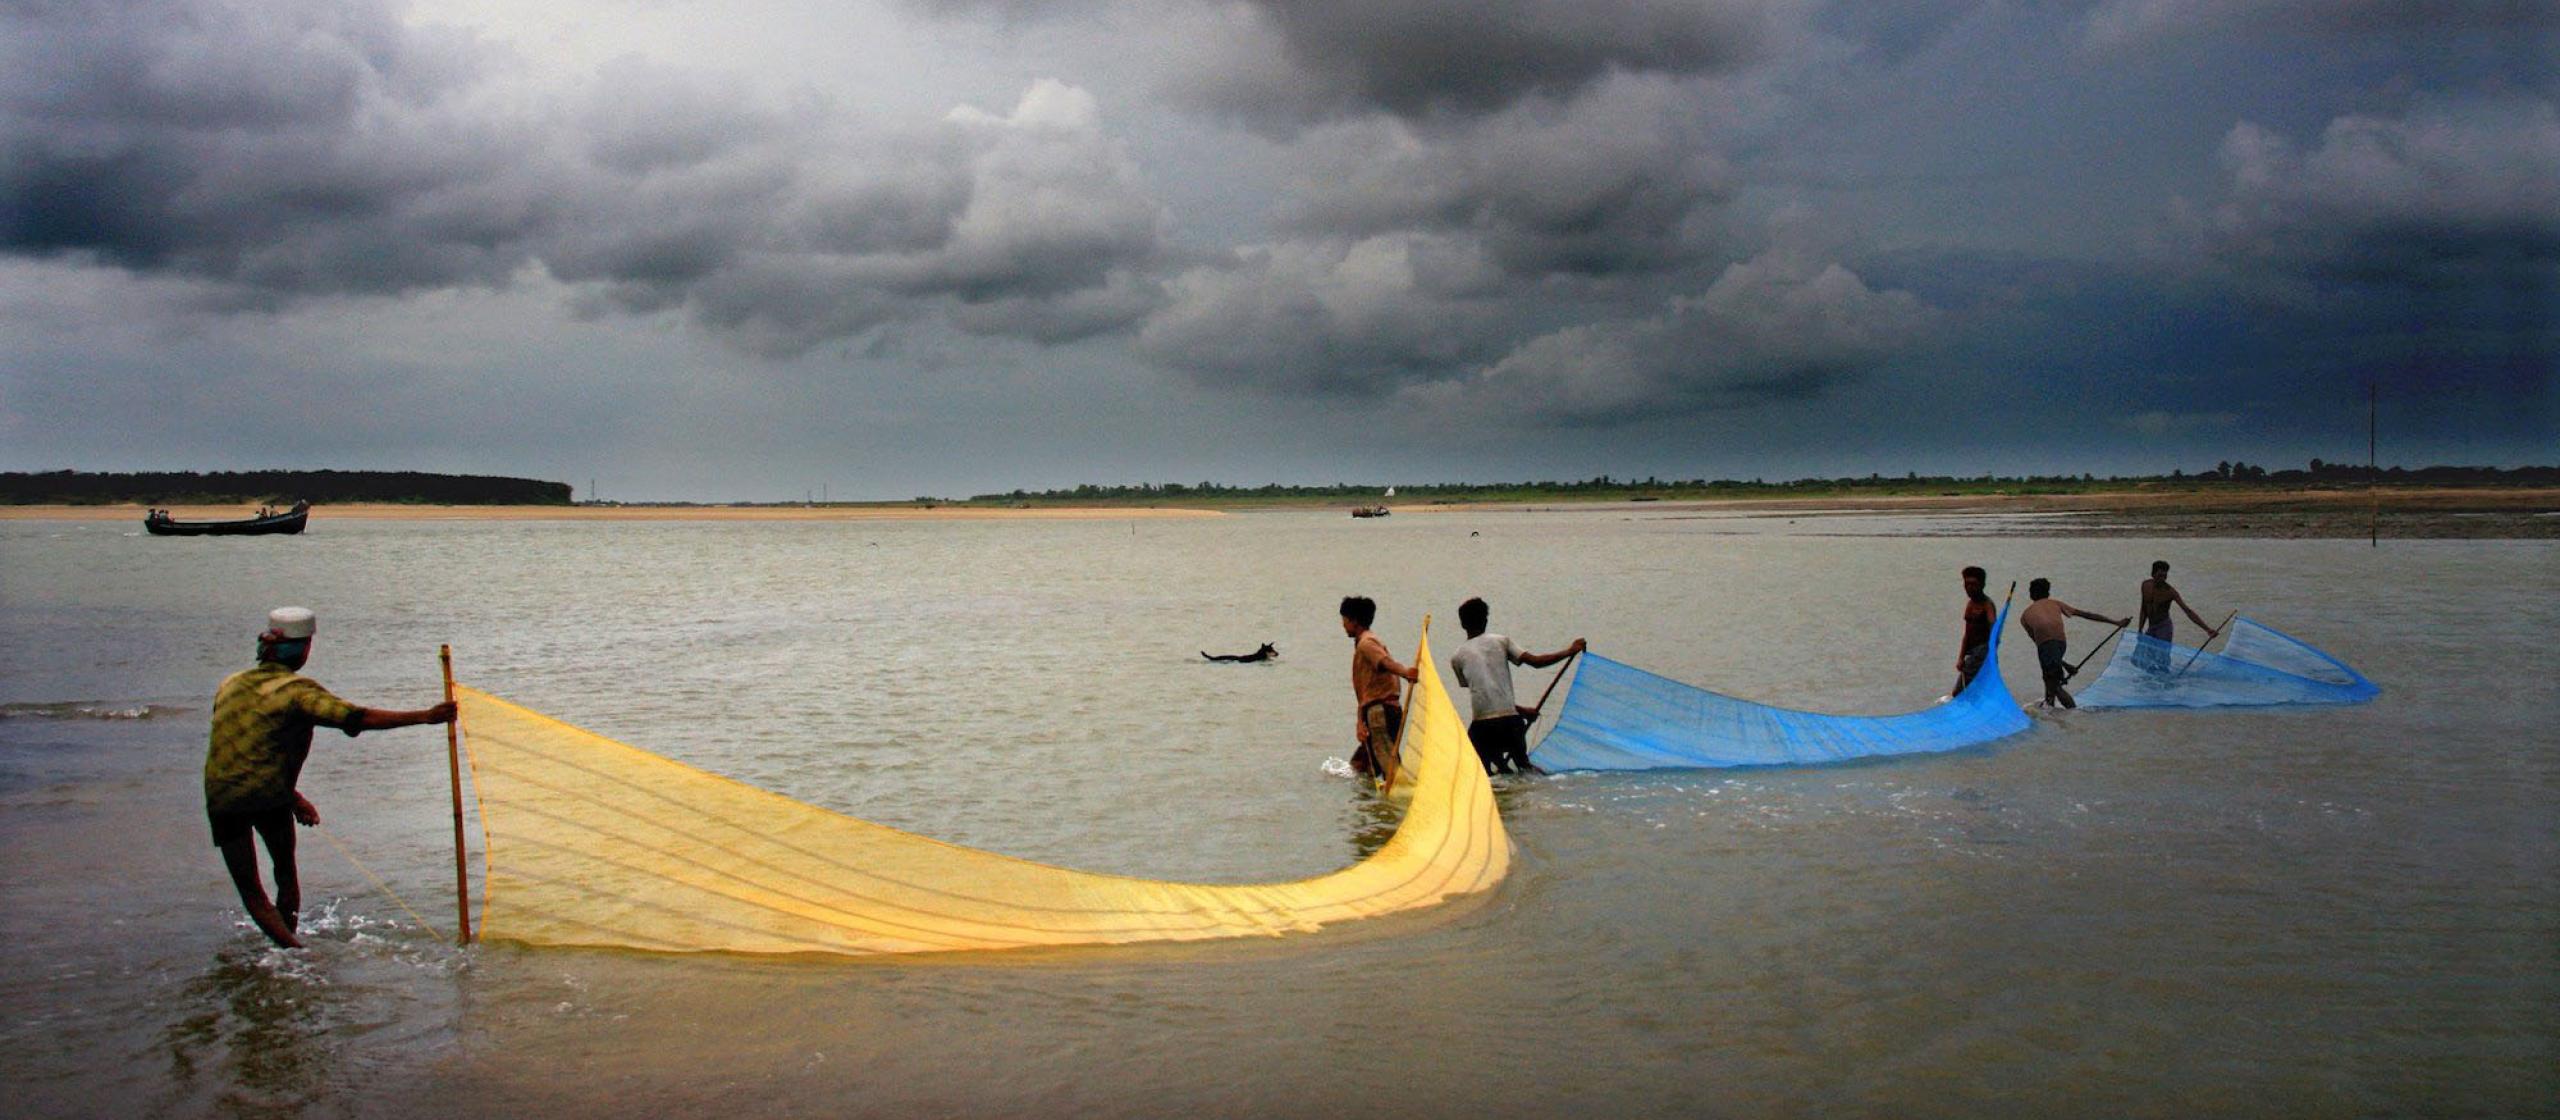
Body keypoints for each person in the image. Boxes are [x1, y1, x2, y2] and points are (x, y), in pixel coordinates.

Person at [205, 607, 455, 948]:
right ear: (303, 650)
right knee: (286, 878)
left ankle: (285, 955)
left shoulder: (229, 684)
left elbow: (244, 751)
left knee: (253, 894)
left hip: (222, 798)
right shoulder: (298, 691)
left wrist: (295, 798)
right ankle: (299, 956)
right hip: (268, 797)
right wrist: (425, 716)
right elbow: (355, 718)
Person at [1448, 598, 1584, 776]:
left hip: (1482, 727)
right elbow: (1536, 662)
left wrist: (1520, 710)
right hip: (1510, 722)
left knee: (1482, 775)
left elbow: (1484, 692)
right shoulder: (1501, 641)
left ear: (1462, 624)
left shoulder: (1457, 657)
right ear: (1486, 620)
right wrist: (1569, 651)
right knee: (1524, 768)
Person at [2017, 579, 2129, 709]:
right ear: (2048, 593)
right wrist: (2116, 622)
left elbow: (2042, 646)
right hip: (2061, 644)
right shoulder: (2056, 604)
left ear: (2031, 593)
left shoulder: (2025, 616)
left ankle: (2072, 712)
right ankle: (2051, 712)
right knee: (2050, 681)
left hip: (2047, 647)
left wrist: (2065, 665)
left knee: (2054, 685)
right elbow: (2086, 615)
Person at [1340, 596, 1418, 780]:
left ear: (1354, 621)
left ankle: (1400, 801)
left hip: (1380, 713)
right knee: (1359, 768)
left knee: (1390, 769)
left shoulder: (1367, 643)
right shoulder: (1366, 642)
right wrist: (1360, 721)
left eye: (1344, 620)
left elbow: (1386, 663)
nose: (1343, 625)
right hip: (1374, 712)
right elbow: (1365, 688)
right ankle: (1373, 806)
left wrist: (1406, 672)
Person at [2135, 560, 2218, 671]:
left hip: (2164, 627)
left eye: (2165, 576)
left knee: (2162, 660)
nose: (2163, 579)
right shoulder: (2145, 585)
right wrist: (2140, 629)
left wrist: (2207, 629)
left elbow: (2188, 611)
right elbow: (2144, 608)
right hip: (2151, 627)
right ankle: (2152, 684)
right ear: (2153, 574)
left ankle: (2166, 682)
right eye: (2160, 576)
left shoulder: (2170, 592)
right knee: (2146, 659)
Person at [1951, 565, 1996, 696]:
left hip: (1982, 652)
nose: (1970, 588)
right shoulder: (1970, 604)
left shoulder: (1987, 605)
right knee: (1973, 690)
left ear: (1982, 584)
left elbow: (1993, 626)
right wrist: (1960, 658)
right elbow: (1967, 634)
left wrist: (1991, 653)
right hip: (1972, 653)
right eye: (1967, 584)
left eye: (1974, 584)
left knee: (1958, 692)